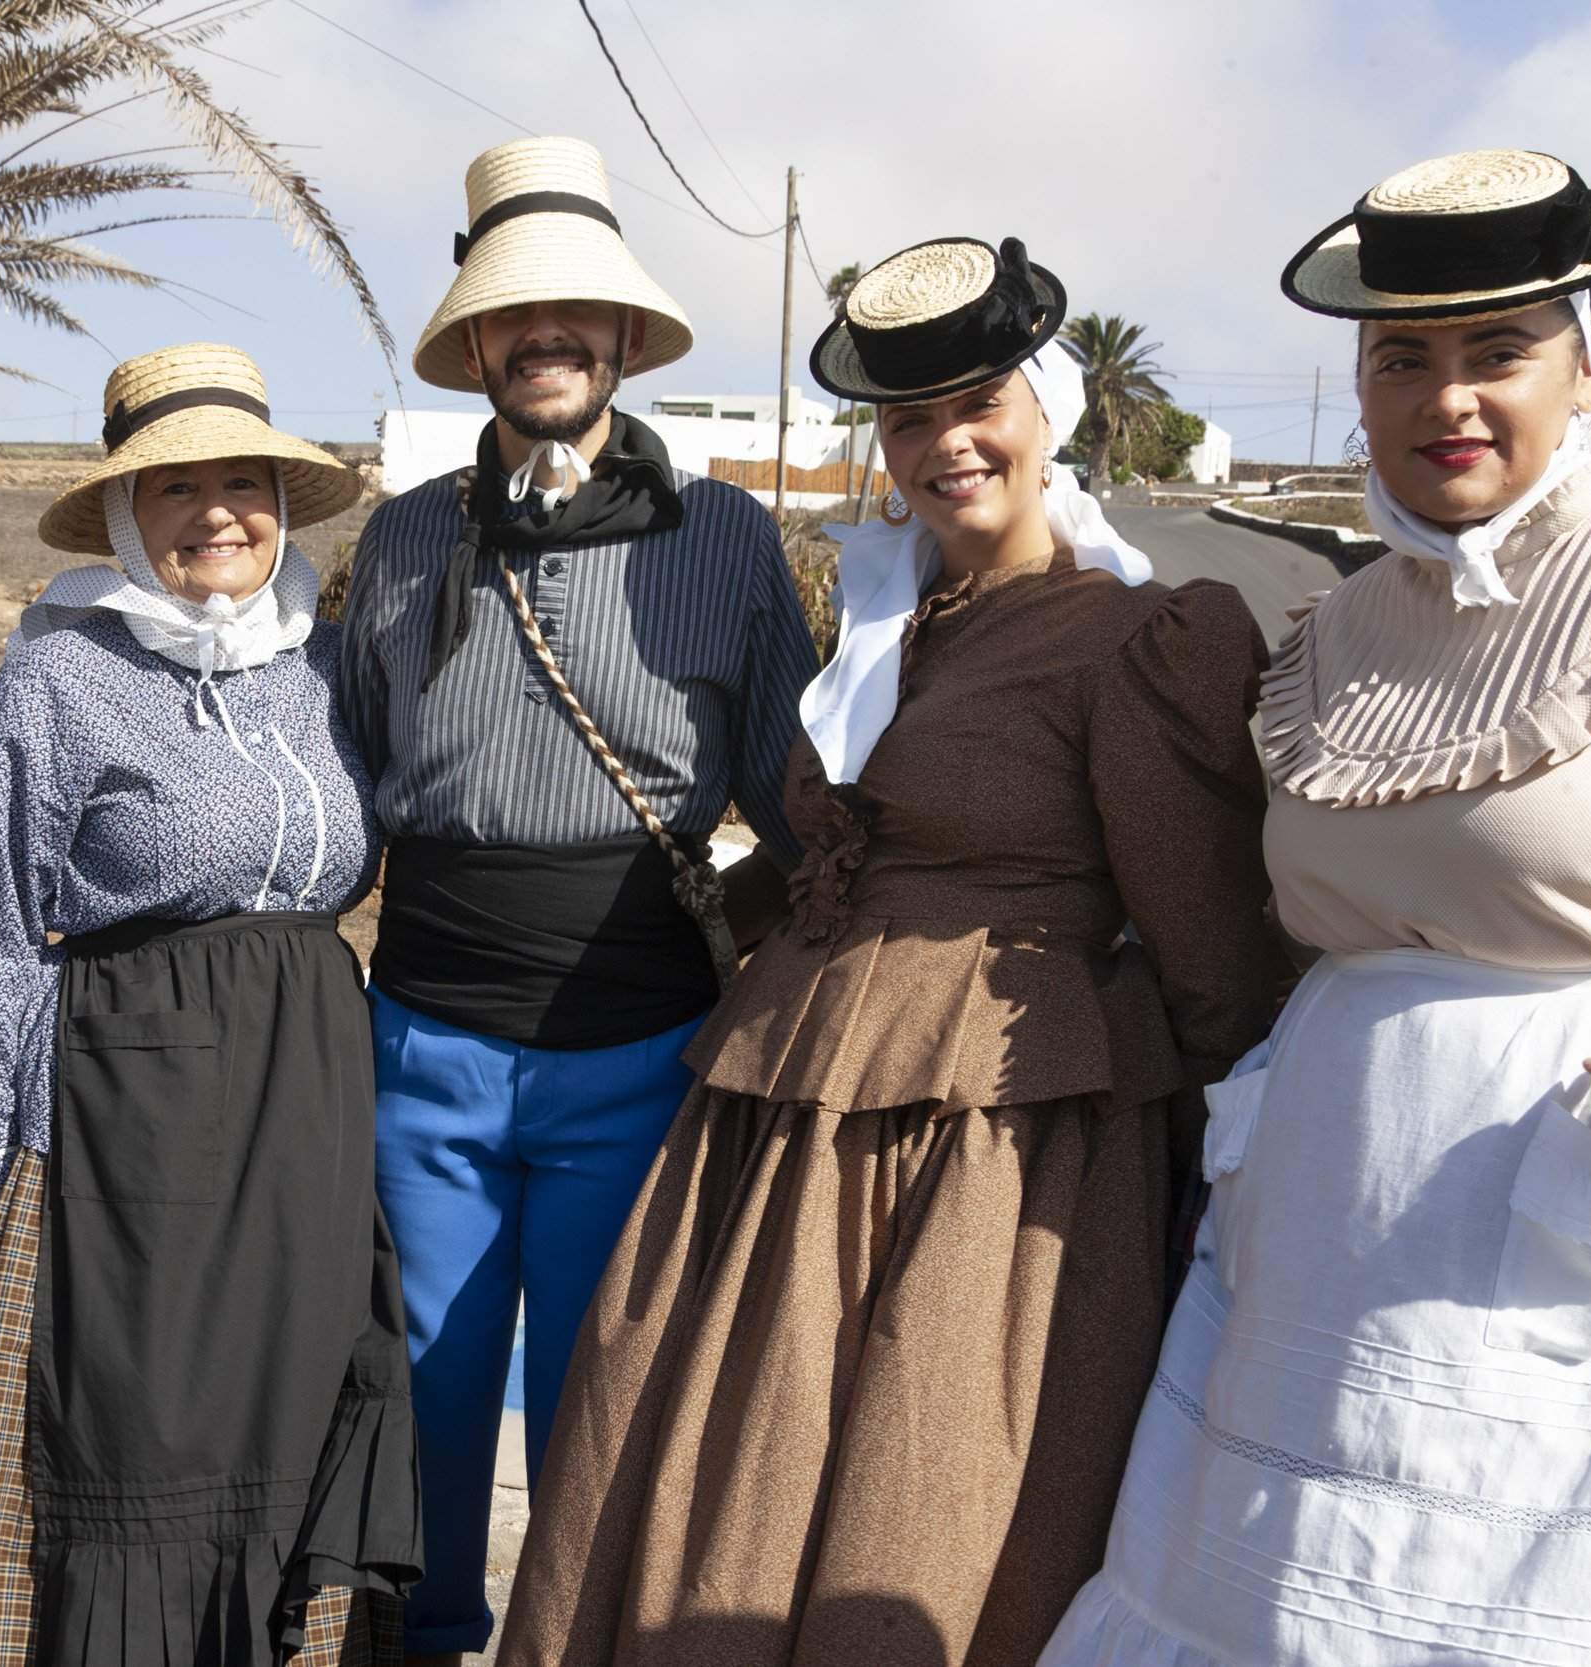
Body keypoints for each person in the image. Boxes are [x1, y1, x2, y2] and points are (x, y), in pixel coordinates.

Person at [496, 236, 1279, 1667]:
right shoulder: (892, 619)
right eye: (910, 419)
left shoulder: (1138, 636)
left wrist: (1213, 1168)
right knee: (727, 1469)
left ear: (1051, 413)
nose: (944, 444)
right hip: (794, 1110)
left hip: (994, 1139)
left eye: (978, 404)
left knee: (923, 1491)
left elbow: (1211, 944)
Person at [1043, 149, 1591, 1667]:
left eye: (1498, 354)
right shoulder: (1336, 624)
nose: (1448, 398)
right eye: (1404, 358)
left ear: (1583, 373)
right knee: (1250, 1606)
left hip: (1565, 1195)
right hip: (1321, 1210)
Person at [337, 134, 820, 1664]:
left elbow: (794, 796)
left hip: (639, 1053)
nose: (543, 339)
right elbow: (344, 777)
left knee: (599, 1396)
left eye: (573, 315)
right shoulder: (403, 538)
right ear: (475, 340)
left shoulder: (731, 538)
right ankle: (420, 1640)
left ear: (621, 336)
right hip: (422, 1050)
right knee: (424, 1376)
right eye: (512, 315)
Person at [0, 343, 421, 1667]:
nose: (216, 512)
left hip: (304, 1098)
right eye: (174, 485)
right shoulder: (61, 677)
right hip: (129, 1113)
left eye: (242, 481)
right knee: (138, 1429)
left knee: (290, 1403)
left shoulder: (323, 672)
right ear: (126, 516)